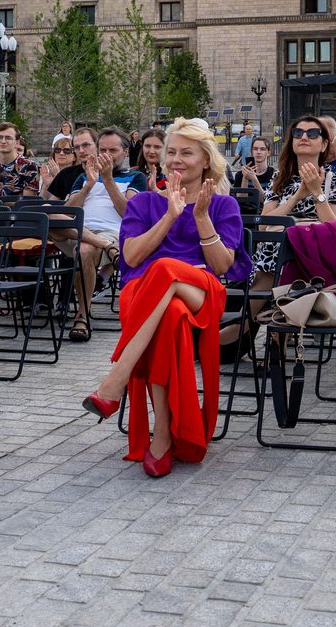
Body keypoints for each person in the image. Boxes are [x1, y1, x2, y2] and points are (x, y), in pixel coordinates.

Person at [80, 118, 246, 477]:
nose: (176, 159)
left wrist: (200, 217)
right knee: (169, 311)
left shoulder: (222, 206)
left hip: (201, 290)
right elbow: (132, 258)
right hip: (145, 297)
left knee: (166, 269)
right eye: (171, 151)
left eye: (187, 152)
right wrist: (170, 216)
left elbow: (222, 267)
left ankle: (117, 378)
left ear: (206, 160)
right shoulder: (143, 204)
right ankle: (167, 436)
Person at [252, 115, 336, 280]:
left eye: (312, 133)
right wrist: (296, 197)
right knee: (278, 246)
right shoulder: (279, 178)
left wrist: (316, 192)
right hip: (277, 252)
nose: (304, 137)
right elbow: (263, 225)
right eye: (298, 133)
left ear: (324, 144)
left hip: (317, 255)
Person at [64, 126, 133, 340]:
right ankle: (105, 247)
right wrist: (89, 186)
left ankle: (82, 316)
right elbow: (67, 212)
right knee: (49, 217)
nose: (107, 156)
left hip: (111, 232)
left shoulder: (135, 177)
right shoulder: (84, 177)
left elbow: (128, 214)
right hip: (77, 230)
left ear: (126, 152)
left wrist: (109, 179)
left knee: (84, 250)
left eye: (112, 151)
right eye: (103, 150)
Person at [0, 122, 41, 199]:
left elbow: (28, 203)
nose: (3, 141)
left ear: (17, 142)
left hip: (17, 211)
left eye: (8, 138)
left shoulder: (29, 166)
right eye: (0, 137)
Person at [133, 127, 168, 192]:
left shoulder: (171, 177)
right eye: (147, 146)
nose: (151, 151)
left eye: (157, 147)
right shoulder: (132, 173)